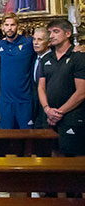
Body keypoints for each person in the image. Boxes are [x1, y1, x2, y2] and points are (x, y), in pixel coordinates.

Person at [38, 19, 85, 156]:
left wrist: (59, 112)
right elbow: (41, 88)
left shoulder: (78, 57)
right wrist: (47, 109)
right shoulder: (46, 59)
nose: (51, 36)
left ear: (68, 33)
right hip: (48, 117)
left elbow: (81, 92)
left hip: (71, 117)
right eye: (50, 32)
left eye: (56, 32)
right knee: (51, 155)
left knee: (72, 159)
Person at [0, 13, 35, 129]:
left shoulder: (29, 43)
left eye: (12, 25)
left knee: (28, 138)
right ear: (2, 27)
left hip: (24, 101)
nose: (9, 28)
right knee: (6, 139)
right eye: (7, 25)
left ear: (18, 26)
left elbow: (47, 45)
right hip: (5, 102)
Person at [31, 27, 52, 129]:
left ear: (48, 42)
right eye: (34, 39)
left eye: (40, 40)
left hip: (51, 107)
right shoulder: (34, 58)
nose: (36, 43)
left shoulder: (54, 58)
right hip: (36, 108)